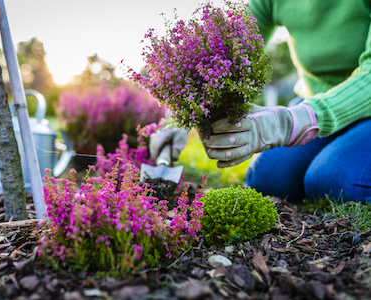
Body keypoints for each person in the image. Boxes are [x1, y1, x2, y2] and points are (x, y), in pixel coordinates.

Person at [150, 0, 371, 202]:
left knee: (331, 181)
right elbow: (224, 53)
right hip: (313, 100)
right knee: (268, 180)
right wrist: (179, 115)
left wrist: (289, 122)